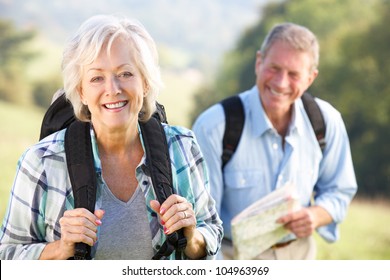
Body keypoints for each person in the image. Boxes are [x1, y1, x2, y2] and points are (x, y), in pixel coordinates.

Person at [0, 14, 222, 260]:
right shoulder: (41, 161)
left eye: (126, 73)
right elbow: (7, 256)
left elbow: (211, 229)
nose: (113, 89)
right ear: (81, 91)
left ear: (145, 82)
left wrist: (192, 238)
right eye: (96, 78)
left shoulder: (182, 147)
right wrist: (59, 250)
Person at [192, 22, 357, 260]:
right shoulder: (214, 126)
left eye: (293, 74)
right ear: (259, 63)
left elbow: (339, 191)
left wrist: (315, 215)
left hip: (299, 256)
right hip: (231, 257)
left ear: (310, 78)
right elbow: (203, 221)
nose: (280, 82)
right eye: (274, 68)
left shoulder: (326, 122)